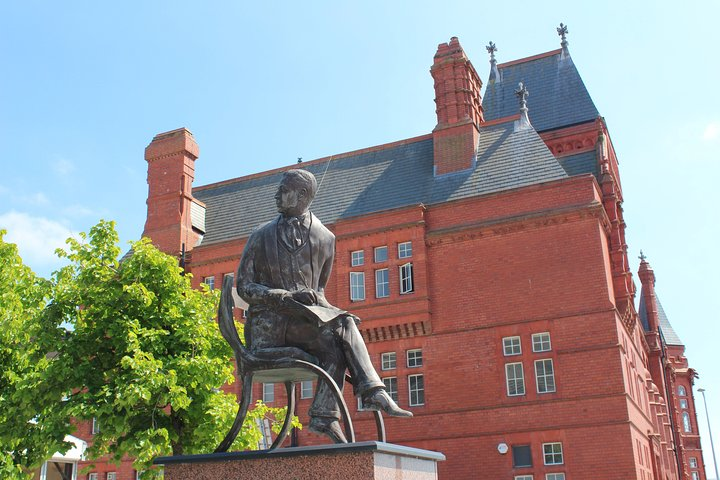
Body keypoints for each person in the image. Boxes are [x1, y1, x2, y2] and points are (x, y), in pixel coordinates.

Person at [236, 169, 412, 443]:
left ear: (302, 195)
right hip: (268, 329)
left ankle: (325, 415)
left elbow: (320, 292)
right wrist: (281, 296)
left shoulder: (326, 239)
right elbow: (244, 286)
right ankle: (367, 393)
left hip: (303, 326)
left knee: (337, 338)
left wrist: (322, 306)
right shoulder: (261, 235)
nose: (276, 194)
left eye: (283, 189)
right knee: (344, 326)